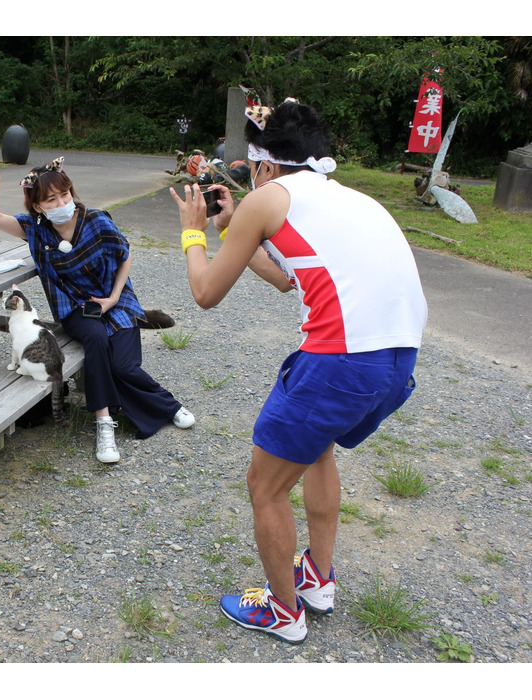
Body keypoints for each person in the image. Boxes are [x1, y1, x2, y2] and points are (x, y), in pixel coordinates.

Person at [171, 100, 428, 645]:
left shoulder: (265, 199)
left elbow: (204, 293)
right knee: (317, 449)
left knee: (264, 487)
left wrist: (195, 231)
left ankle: (284, 614)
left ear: (263, 164)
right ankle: (317, 581)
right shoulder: (350, 197)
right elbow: (289, 276)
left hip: (340, 361)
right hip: (397, 360)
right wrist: (231, 228)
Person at [0, 156, 195, 464]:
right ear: (39, 206)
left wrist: (112, 298)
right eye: (51, 199)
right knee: (96, 340)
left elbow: (125, 256)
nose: (62, 202)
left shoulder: (96, 220)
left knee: (122, 365)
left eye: (65, 194)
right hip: (75, 307)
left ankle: (169, 405)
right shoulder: (35, 229)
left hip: (116, 300)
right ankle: (103, 423)